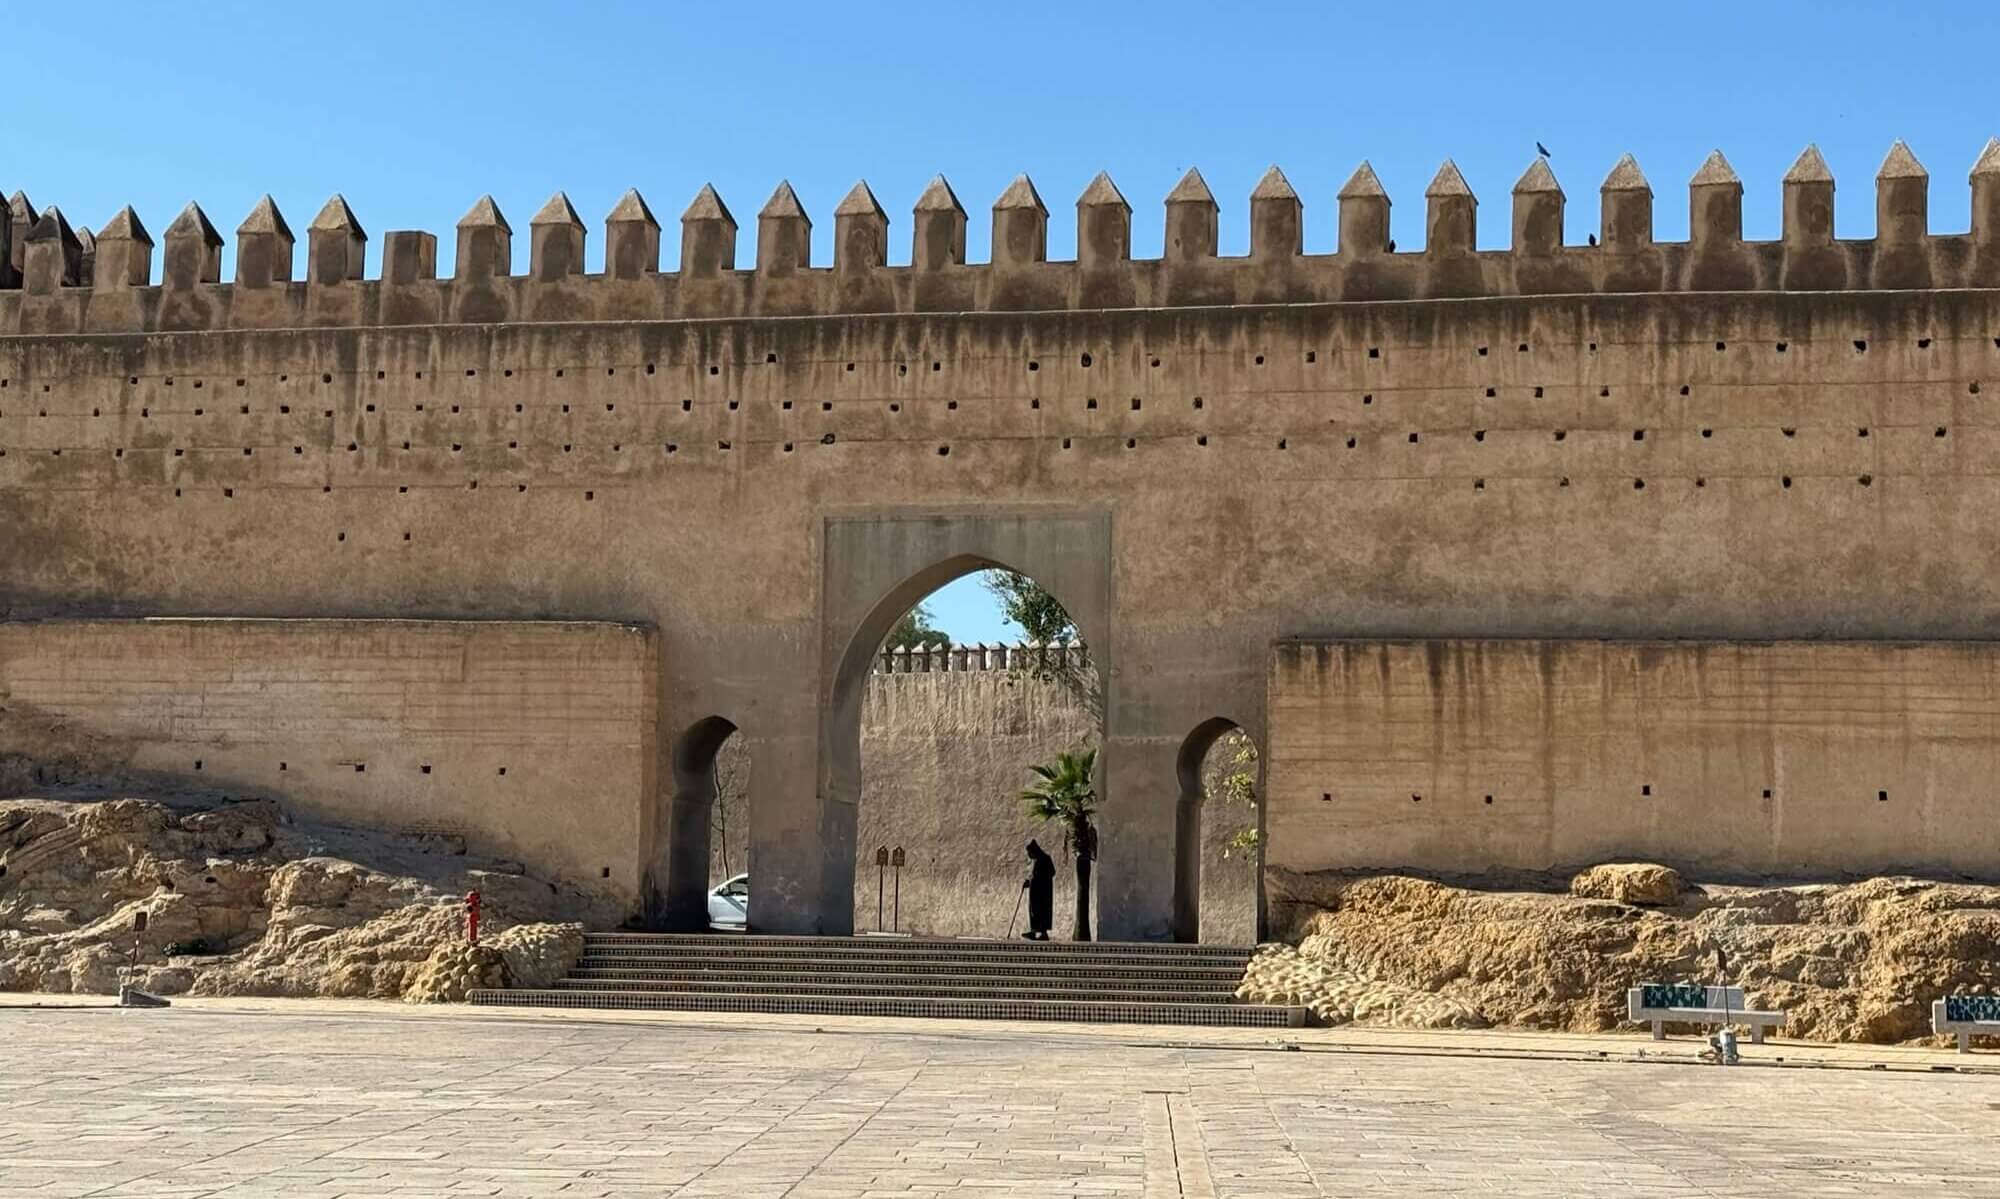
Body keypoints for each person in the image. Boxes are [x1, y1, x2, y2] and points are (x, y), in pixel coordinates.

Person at [1022, 839, 1055, 940]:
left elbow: (1052, 872)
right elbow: (1034, 875)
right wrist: (1029, 881)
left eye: (1029, 852)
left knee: (1041, 911)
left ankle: (1042, 933)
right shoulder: (1036, 860)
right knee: (1034, 911)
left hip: (1042, 892)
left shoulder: (1044, 859)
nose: (1029, 855)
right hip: (1036, 891)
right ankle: (1034, 931)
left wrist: (1036, 880)